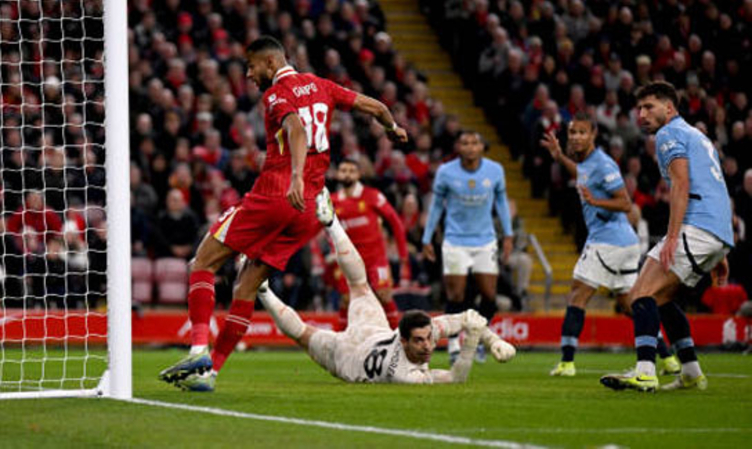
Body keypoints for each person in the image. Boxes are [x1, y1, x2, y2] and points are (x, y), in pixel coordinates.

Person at [159, 36, 407, 391]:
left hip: (275, 194)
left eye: (252, 66)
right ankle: (209, 373)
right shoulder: (322, 85)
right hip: (307, 210)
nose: (248, 74)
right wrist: (392, 129)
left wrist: (293, 175)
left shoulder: (276, 93)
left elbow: (296, 128)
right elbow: (377, 106)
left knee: (202, 263)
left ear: (271, 64)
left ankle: (198, 348)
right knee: (246, 286)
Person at [181, 189, 515, 390]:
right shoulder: (411, 376)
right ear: (403, 338)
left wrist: (488, 338)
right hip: (361, 346)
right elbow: (458, 367)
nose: (428, 346)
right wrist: (482, 341)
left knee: (309, 327)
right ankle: (328, 226)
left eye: (429, 339)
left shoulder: (413, 358)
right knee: (351, 291)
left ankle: (266, 289)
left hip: (357, 350)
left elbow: (467, 320)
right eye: (422, 340)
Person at [601, 82, 732, 392]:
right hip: (715, 229)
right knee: (663, 298)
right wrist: (720, 248)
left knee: (640, 295)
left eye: (649, 107)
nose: (642, 114)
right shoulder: (698, 135)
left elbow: (681, 184)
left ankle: (645, 371)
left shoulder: (668, 133)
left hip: (696, 226)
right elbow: (714, 186)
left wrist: (673, 236)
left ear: (669, 108)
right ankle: (690, 372)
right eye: (639, 109)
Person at [541, 113, 680, 377]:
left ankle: (567, 363)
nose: (576, 137)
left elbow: (625, 203)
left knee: (578, 295)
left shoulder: (603, 165)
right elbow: (581, 174)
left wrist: (596, 202)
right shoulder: (587, 163)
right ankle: (668, 358)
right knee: (631, 305)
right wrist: (559, 157)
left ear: (593, 135)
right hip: (625, 244)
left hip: (607, 242)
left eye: (582, 132)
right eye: (572, 132)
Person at [421, 131, 513, 363]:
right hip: (455, 241)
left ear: (482, 146)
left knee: (490, 297)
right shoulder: (446, 172)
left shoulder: (495, 171)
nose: (470, 147)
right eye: (465, 143)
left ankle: (476, 338)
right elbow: (436, 207)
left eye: (475, 143)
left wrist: (509, 235)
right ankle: (453, 345)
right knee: (456, 295)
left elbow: (501, 203)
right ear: (458, 147)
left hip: (485, 241)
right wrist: (427, 237)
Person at [329, 158, 410, 329]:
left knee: (384, 295)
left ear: (359, 174)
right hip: (348, 258)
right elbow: (321, 229)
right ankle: (341, 344)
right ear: (337, 174)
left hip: (375, 257)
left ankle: (398, 339)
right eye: (343, 170)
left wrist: (403, 256)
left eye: (351, 170)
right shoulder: (332, 201)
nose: (347, 174)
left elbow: (395, 222)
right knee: (345, 300)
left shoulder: (373, 196)